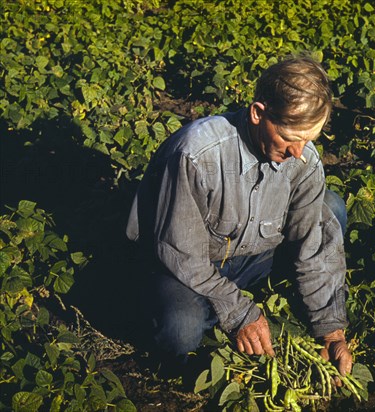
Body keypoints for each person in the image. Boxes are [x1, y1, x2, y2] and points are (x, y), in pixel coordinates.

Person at [125, 55, 352, 380]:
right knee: (181, 332)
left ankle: (254, 315)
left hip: (255, 256)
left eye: (308, 139)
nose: (297, 152)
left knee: (331, 210)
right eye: (290, 138)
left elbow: (312, 246)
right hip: (184, 262)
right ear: (258, 113)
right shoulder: (196, 155)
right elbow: (182, 255)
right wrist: (238, 312)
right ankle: (195, 341)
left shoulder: (303, 160)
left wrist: (332, 331)